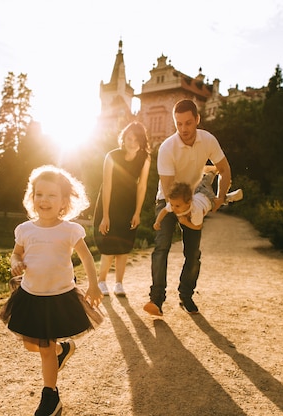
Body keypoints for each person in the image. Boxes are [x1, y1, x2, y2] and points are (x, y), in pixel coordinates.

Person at [0, 165, 104, 416]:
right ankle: (63, 350)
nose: (44, 200)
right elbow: (16, 253)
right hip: (30, 296)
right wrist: (15, 263)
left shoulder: (69, 230)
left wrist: (93, 284)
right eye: (39, 194)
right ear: (32, 197)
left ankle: (50, 398)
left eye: (51, 195)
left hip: (58, 297)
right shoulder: (25, 229)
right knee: (31, 345)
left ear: (64, 202)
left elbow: (87, 258)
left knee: (45, 348)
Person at [143, 99, 233, 317]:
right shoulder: (167, 148)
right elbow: (168, 188)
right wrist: (180, 214)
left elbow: (224, 169)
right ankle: (156, 300)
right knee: (161, 247)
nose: (183, 129)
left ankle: (186, 295)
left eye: (188, 123)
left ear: (197, 120)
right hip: (168, 199)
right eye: (179, 123)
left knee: (193, 253)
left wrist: (219, 198)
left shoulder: (208, 140)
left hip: (194, 200)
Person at [93, 121, 151, 297]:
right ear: (123, 139)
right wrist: (105, 215)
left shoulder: (145, 159)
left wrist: (137, 212)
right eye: (129, 138)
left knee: (124, 246)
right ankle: (101, 281)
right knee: (109, 245)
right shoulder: (111, 156)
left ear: (142, 141)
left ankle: (119, 284)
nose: (132, 142)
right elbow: (107, 186)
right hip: (110, 203)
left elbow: (142, 187)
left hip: (129, 205)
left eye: (136, 139)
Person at [153, 167, 243, 231]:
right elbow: (164, 210)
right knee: (205, 183)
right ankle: (228, 195)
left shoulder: (195, 211)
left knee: (206, 184)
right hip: (199, 195)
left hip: (207, 197)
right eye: (172, 204)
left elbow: (198, 226)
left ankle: (214, 174)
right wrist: (157, 221)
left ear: (188, 202)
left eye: (176, 205)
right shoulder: (176, 204)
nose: (173, 208)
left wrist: (186, 223)